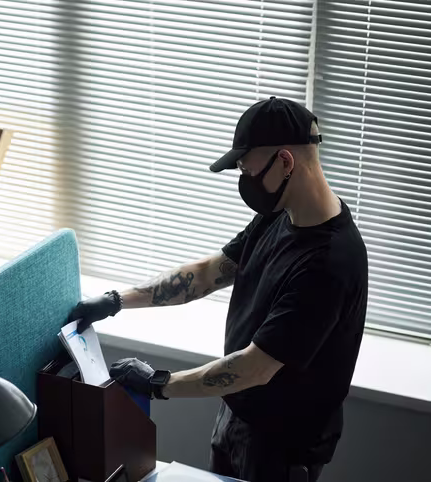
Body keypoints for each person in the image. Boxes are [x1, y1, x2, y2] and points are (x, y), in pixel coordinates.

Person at [69, 97, 368, 482]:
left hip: (280, 447)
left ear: (285, 162)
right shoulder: (279, 216)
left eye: (248, 169)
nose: (245, 180)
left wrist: (158, 384)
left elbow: (255, 367)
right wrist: (116, 301)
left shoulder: (329, 264)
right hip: (237, 414)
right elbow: (207, 274)